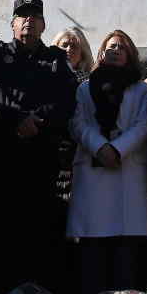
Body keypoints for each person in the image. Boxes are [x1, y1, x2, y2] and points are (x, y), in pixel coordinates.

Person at [0, 0, 78, 294]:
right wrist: (18, 118)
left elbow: (66, 100)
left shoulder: (55, 59)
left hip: (41, 156)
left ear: (43, 24)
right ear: (12, 23)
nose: (28, 20)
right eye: (22, 16)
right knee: (1, 229)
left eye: (35, 16)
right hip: (4, 155)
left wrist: (37, 119)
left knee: (38, 230)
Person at [67, 30, 147, 294]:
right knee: (93, 252)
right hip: (93, 171)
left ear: (130, 55)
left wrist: (117, 149)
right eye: (110, 46)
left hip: (127, 170)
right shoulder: (83, 88)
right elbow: (77, 122)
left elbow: (145, 124)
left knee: (125, 255)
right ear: (102, 52)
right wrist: (100, 147)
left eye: (122, 47)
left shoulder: (142, 90)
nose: (115, 50)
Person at [52, 27, 94, 208]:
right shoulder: (46, 77)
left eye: (74, 46)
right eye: (64, 45)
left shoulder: (92, 83)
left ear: (82, 52)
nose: (69, 49)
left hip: (82, 149)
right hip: (53, 148)